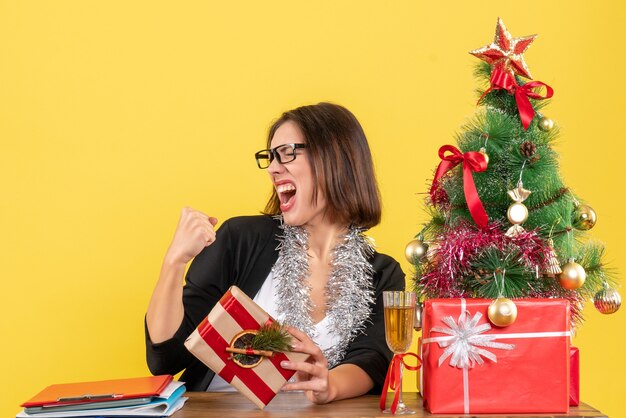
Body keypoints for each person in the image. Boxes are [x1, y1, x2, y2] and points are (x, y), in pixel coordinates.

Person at [145, 102, 405, 404]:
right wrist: (174, 261)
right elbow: (165, 357)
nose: (272, 168)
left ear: (335, 157)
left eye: (287, 153)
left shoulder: (382, 273)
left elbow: (372, 359)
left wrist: (329, 385)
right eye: (270, 157)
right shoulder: (241, 240)